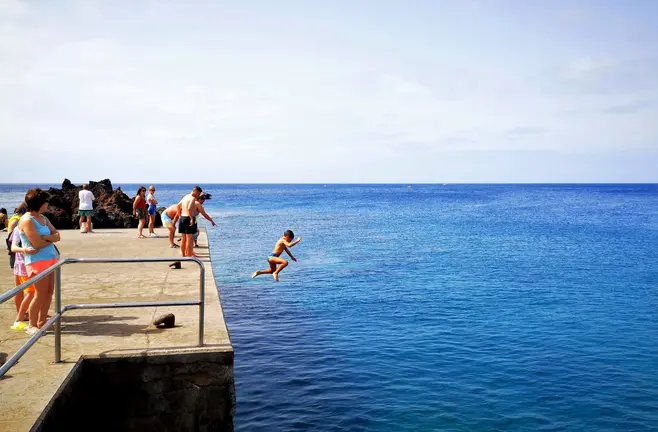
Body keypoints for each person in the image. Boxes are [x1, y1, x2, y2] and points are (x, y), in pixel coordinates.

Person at [19, 188, 60, 334]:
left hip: (50, 259)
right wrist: (49, 239)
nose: (47, 204)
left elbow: (57, 235)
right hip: (37, 261)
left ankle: (42, 321)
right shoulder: (27, 219)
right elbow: (36, 244)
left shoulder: (43, 218)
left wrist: (44, 238)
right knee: (39, 294)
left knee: (49, 292)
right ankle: (32, 324)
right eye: (45, 201)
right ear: (40, 203)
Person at [10, 225, 36, 330]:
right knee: (32, 292)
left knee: (28, 291)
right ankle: (19, 318)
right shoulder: (19, 228)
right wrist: (25, 250)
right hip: (23, 265)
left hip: (30, 264)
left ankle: (27, 314)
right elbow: (13, 247)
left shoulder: (35, 224)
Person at [177, 186, 203, 258]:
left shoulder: (185, 196)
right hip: (188, 218)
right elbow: (189, 208)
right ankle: (189, 255)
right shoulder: (192, 198)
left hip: (182, 217)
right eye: (199, 194)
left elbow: (178, 206)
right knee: (190, 238)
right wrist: (191, 218)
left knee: (183, 238)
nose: (198, 196)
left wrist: (179, 216)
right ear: (196, 191)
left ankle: (183, 255)